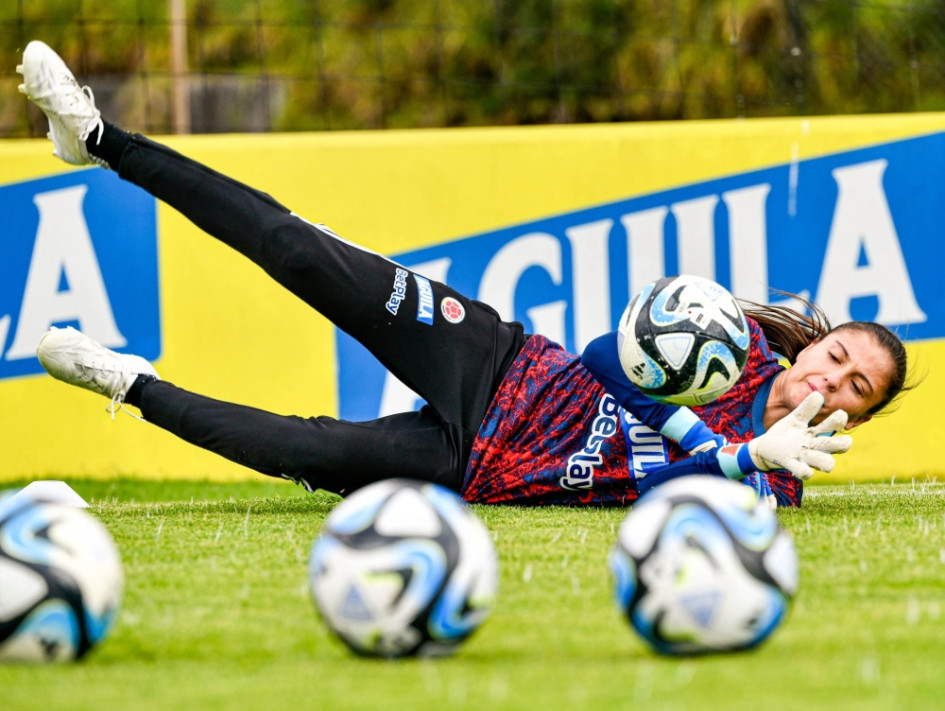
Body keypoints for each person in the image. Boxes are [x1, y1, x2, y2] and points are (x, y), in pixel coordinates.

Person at [17, 41, 908, 509]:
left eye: (855, 387)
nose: (830, 379)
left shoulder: (778, 478)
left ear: (856, 415)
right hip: (496, 361)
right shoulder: (736, 345)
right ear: (816, 342)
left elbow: (652, 494)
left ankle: (124, 381)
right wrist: (718, 442)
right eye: (838, 356)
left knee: (300, 450)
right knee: (297, 251)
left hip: (469, 467)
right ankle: (98, 139)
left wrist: (741, 460)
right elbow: (602, 357)